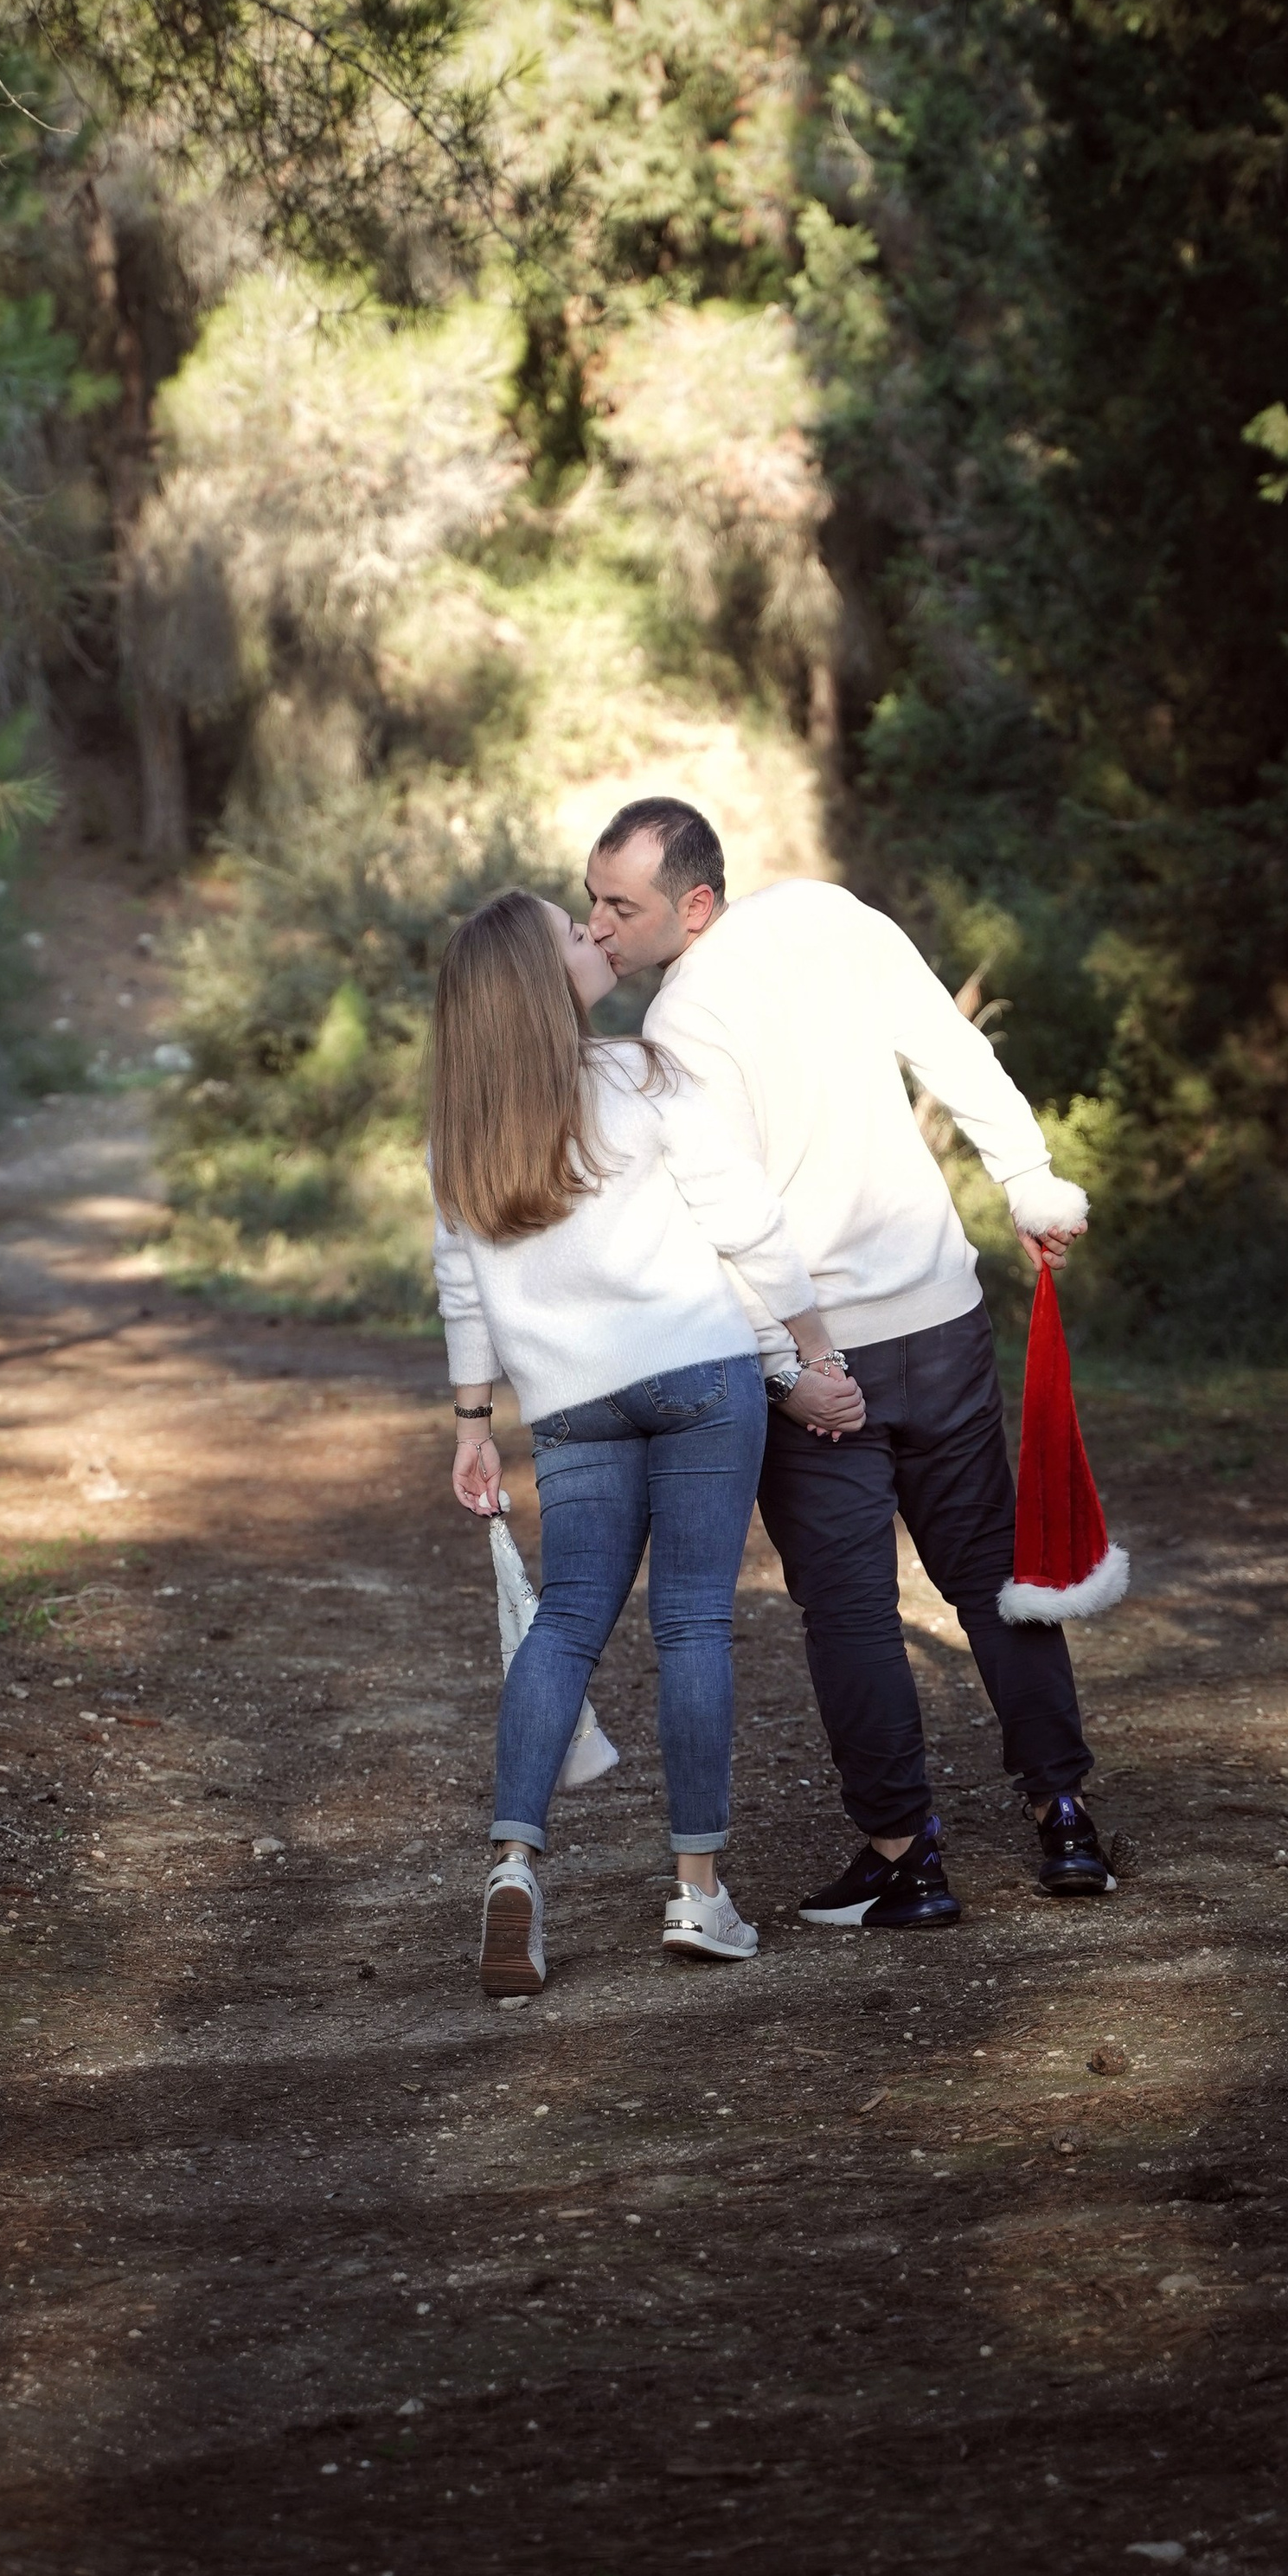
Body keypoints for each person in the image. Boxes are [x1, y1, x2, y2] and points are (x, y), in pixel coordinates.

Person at [584, 798, 1111, 1930]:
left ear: (695, 902)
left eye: (619, 906)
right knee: (988, 1573)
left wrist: (785, 1369)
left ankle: (908, 1859)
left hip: (828, 1359)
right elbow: (954, 1050)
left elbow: (732, 1222)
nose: (599, 929)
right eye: (593, 903)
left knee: (855, 1611)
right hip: (941, 1314)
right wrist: (1026, 1180)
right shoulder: (832, 917)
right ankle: (1063, 1819)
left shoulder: (679, 1028)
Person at [428, 886, 855, 1997]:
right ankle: (698, 1895)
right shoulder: (641, 1076)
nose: (593, 937)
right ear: (540, 978)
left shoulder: (459, 1134)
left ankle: (515, 1866)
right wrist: (811, 1347)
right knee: (695, 1624)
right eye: (573, 935)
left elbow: (461, 1288)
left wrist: (473, 1420)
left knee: (566, 1624)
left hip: (569, 1403)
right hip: (699, 1378)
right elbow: (743, 1222)